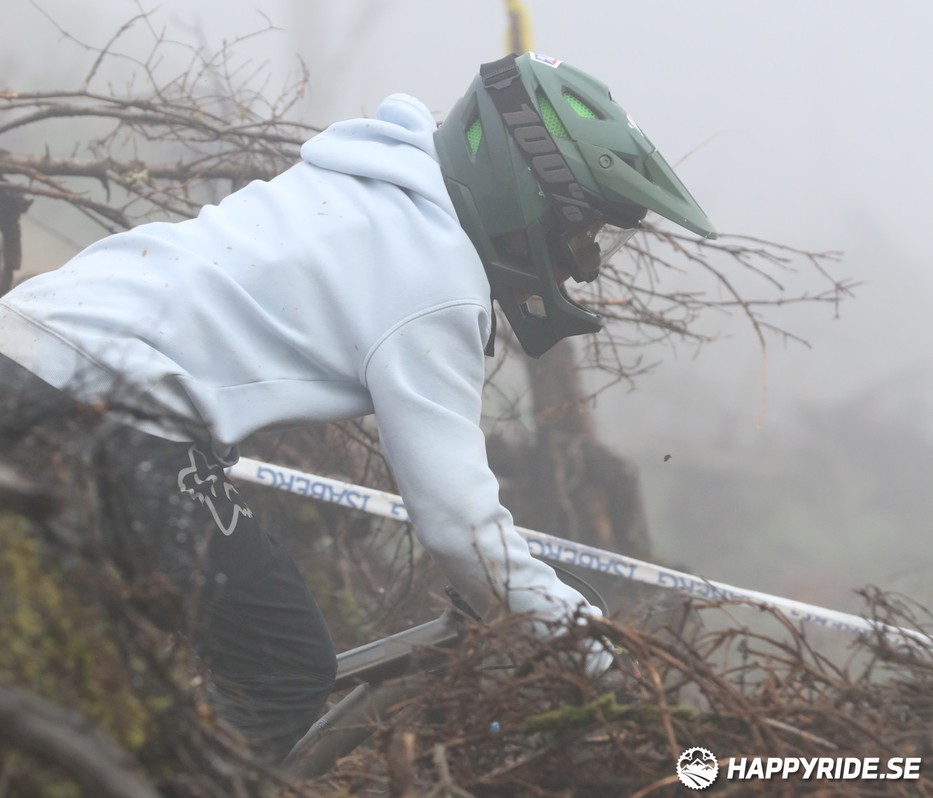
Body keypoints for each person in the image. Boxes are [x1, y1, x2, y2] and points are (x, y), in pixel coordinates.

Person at [0, 51, 715, 762]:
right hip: (100, 401)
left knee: (83, 652)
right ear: (528, 197)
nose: (582, 266)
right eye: (582, 236)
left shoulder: (376, 177)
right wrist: (586, 645)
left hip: (31, 352)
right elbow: (460, 526)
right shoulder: (433, 278)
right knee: (280, 662)